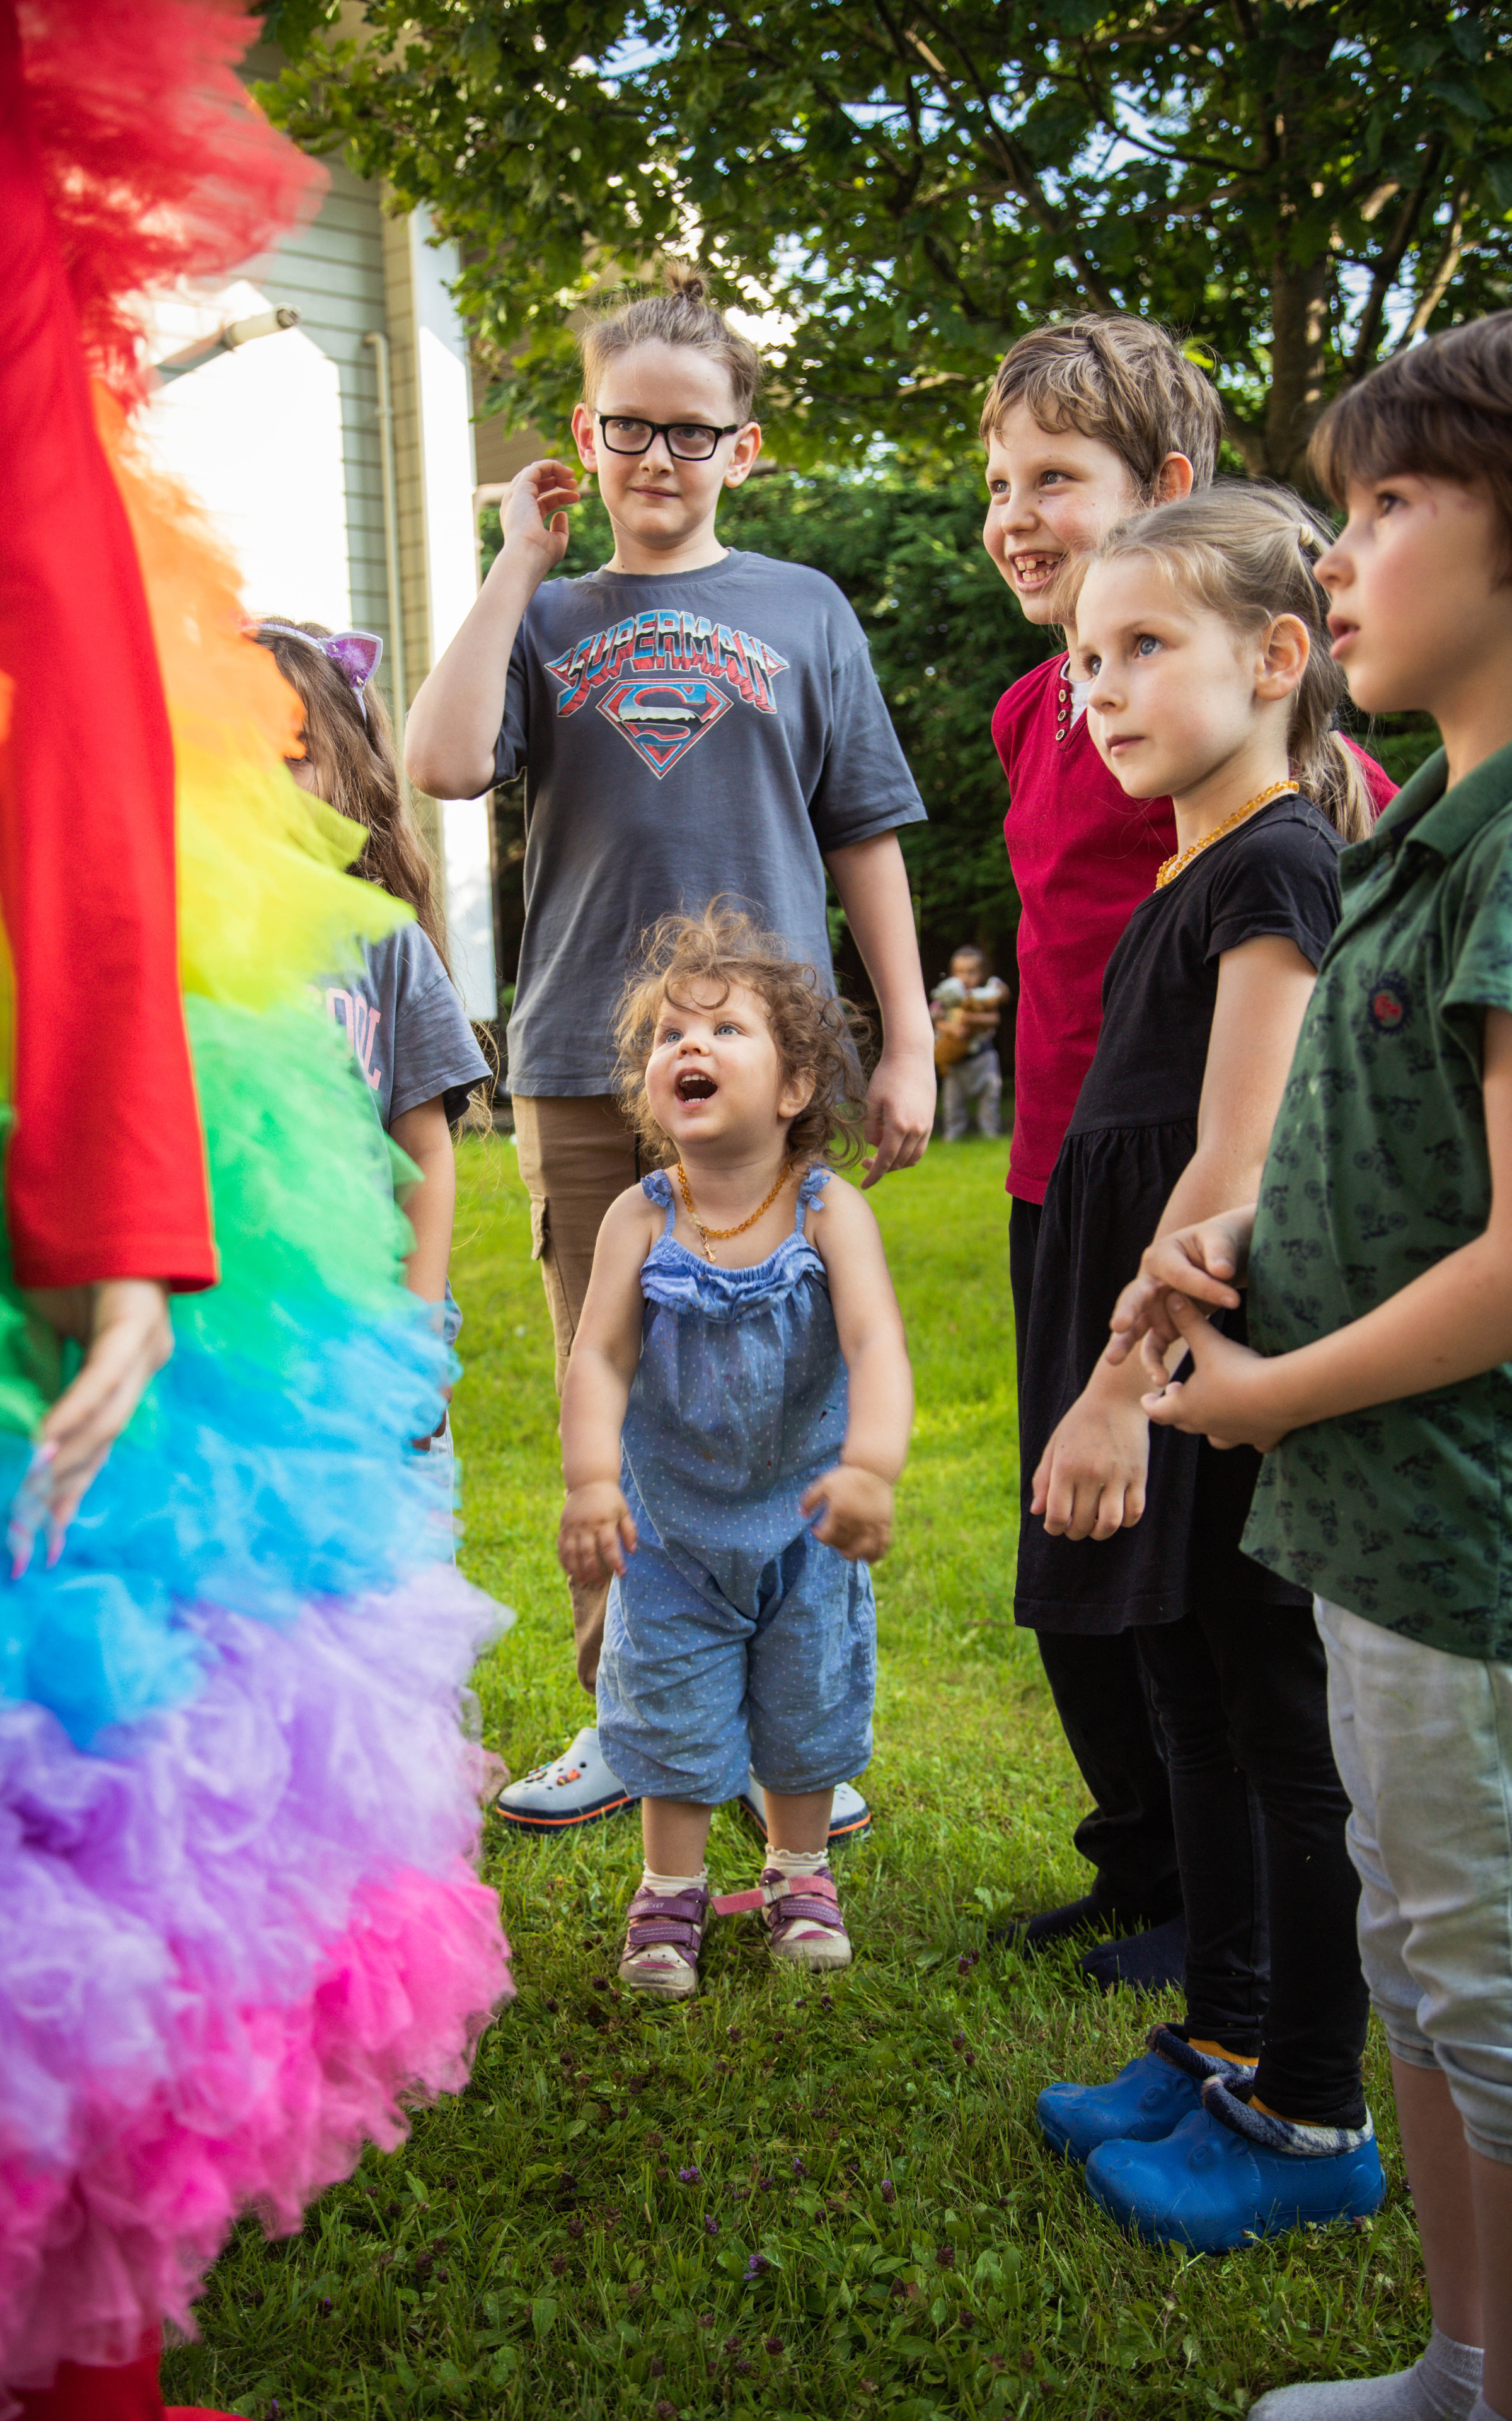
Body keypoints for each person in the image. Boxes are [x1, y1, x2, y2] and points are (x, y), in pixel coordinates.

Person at [0, 12, 509, 2420]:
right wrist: (112, 1203)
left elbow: (51, 594)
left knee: (27, 1679)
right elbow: (47, 587)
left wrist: (121, 1195)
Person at [1108, 315, 1512, 2421]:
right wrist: (1244, 1238)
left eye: (1390, 503)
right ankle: (1459, 2359)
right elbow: (1398, 1163)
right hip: (1373, 1520)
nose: (1339, 554)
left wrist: (1269, 1396)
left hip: (1459, 1538)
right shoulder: (1431, 818)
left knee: (1484, 1976)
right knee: (1420, 1959)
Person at [406, 262, 933, 1837]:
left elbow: (864, 832)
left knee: (781, 1398)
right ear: (583, 432)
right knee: (616, 1390)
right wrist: (515, 560)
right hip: (586, 1057)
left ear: (740, 449)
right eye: (625, 425)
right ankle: (634, 1719)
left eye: (690, 432)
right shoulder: (544, 614)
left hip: (770, 1075)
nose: (656, 455)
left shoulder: (803, 609)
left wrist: (903, 1039)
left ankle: (790, 1737)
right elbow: (440, 761)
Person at [982, 316, 1396, 1993]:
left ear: (1162, 486)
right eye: (997, 485)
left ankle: (1229, 1928)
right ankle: (1146, 1858)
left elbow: (1344, 875)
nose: (1013, 516)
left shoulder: (1255, 762)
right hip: (1062, 1170)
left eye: (1053, 481)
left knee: (1206, 1584)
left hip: (1198, 1182)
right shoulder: (1039, 708)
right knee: (1085, 1549)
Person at [1021, 484, 1382, 2253]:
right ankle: (1223, 2034)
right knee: (1184, 1694)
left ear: (1275, 656)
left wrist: (1117, 1382)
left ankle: (1309, 2103)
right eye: (1086, 659)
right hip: (1152, 1338)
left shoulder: (1277, 864)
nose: (1101, 687)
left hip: (1206, 1349)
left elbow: (1231, 1162)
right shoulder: (1189, 867)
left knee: (1264, 1710)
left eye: (1144, 646)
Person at [555, 908, 912, 1996]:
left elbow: (876, 1343)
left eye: (723, 1030)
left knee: (807, 1700)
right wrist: (592, 1481)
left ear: (795, 1086)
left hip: (805, 1528)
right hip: (673, 1535)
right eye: (669, 1035)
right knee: (670, 1703)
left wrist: (870, 1468)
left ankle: (800, 1872)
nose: (689, 1047)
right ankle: (670, 1892)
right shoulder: (639, 1218)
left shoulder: (827, 1213)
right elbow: (597, 1357)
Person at [251, 617, 491, 1507]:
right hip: (233, 1333)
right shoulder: (174, 948)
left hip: (366, 1326)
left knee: (382, 1549)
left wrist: (417, 1333)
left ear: (349, 773)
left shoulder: (384, 947)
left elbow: (424, 1151)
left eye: (295, 755)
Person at [932, 944, 1008, 1139]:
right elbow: (936, 1019)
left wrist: (971, 1019)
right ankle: (953, 1134)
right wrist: (952, 1028)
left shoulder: (985, 997)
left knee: (989, 1095)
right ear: (952, 974)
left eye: (971, 972)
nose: (965, 977)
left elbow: (995, 1019)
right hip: (956, 1060)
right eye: (960, 972)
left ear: (981, 974)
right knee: (953, 1100)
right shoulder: (947, 998)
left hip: (983, 1057)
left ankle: (990, 1132)